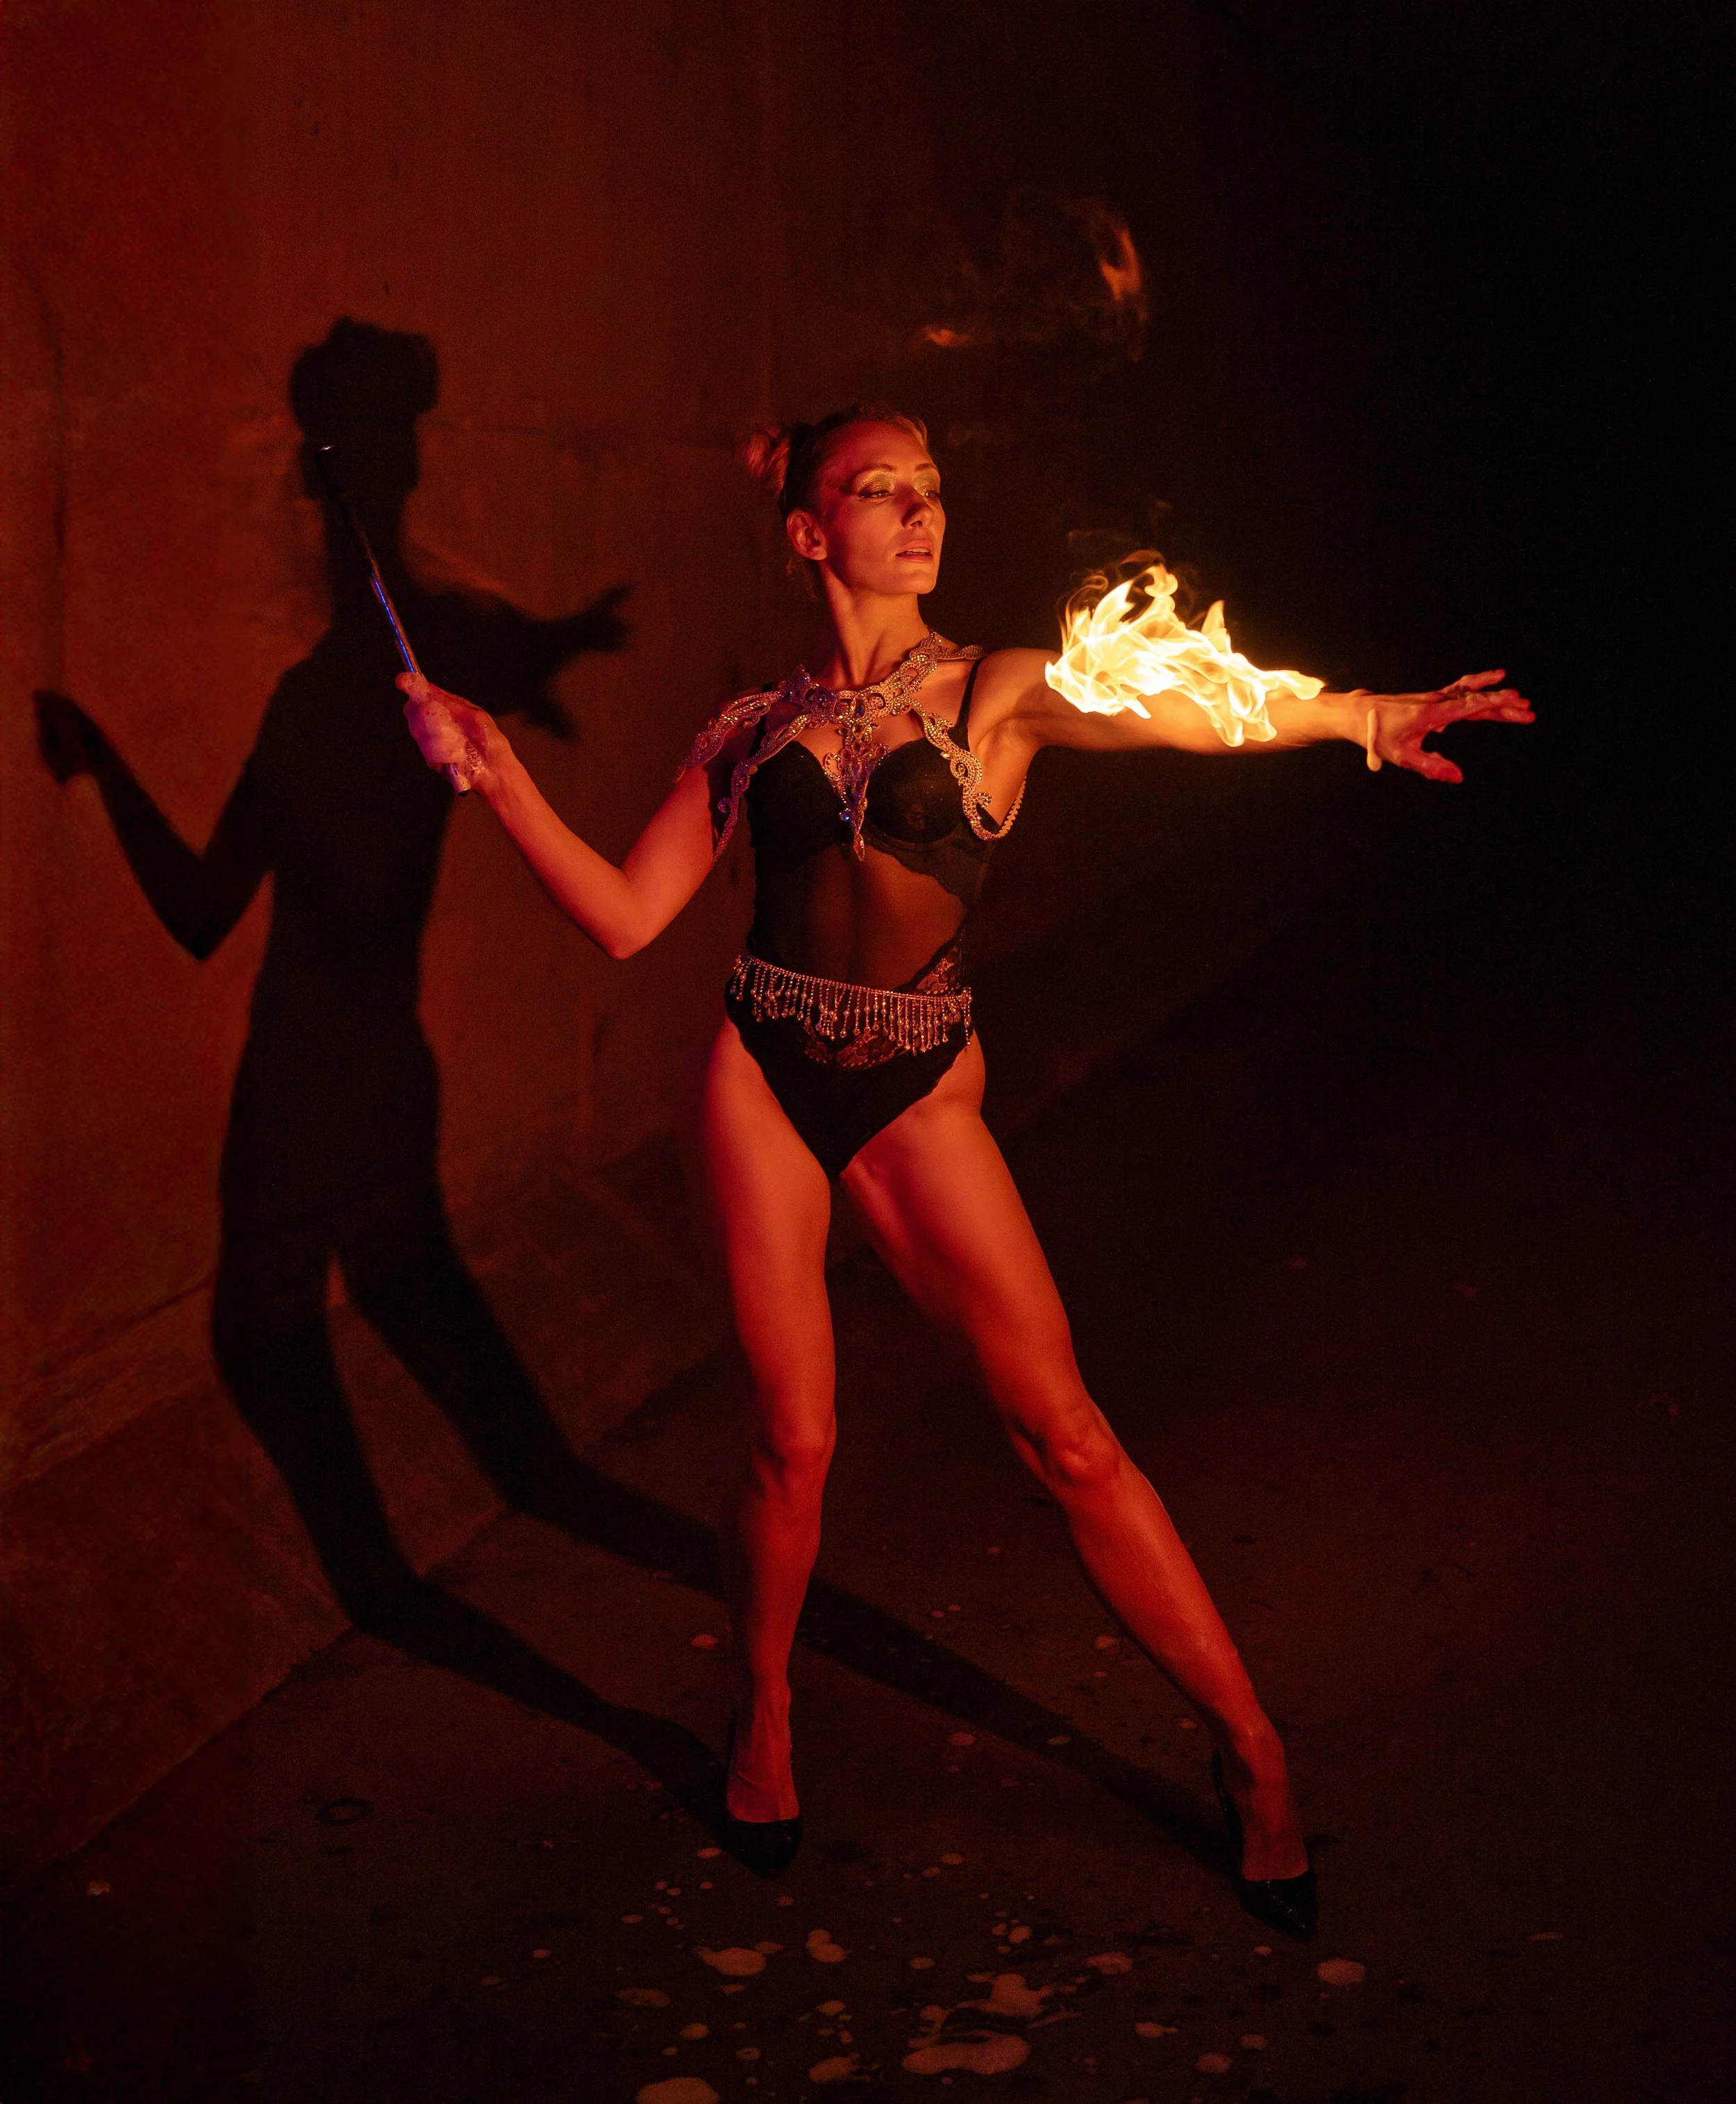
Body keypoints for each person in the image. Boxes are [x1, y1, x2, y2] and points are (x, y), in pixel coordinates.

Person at [399, 404, 1531, 1932]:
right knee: (790, 1440)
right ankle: (763, 1713)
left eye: (930, 491)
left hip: (916, 1081)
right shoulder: (747, 730)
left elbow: (1190, 709)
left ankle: (1251, 1753)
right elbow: (621, 918)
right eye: (880, 491)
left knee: (1062, 1434)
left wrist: (1361, 718)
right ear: (810, 531)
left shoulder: (992, 692)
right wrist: (495, 771)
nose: (921, 514)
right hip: (759, 1072)